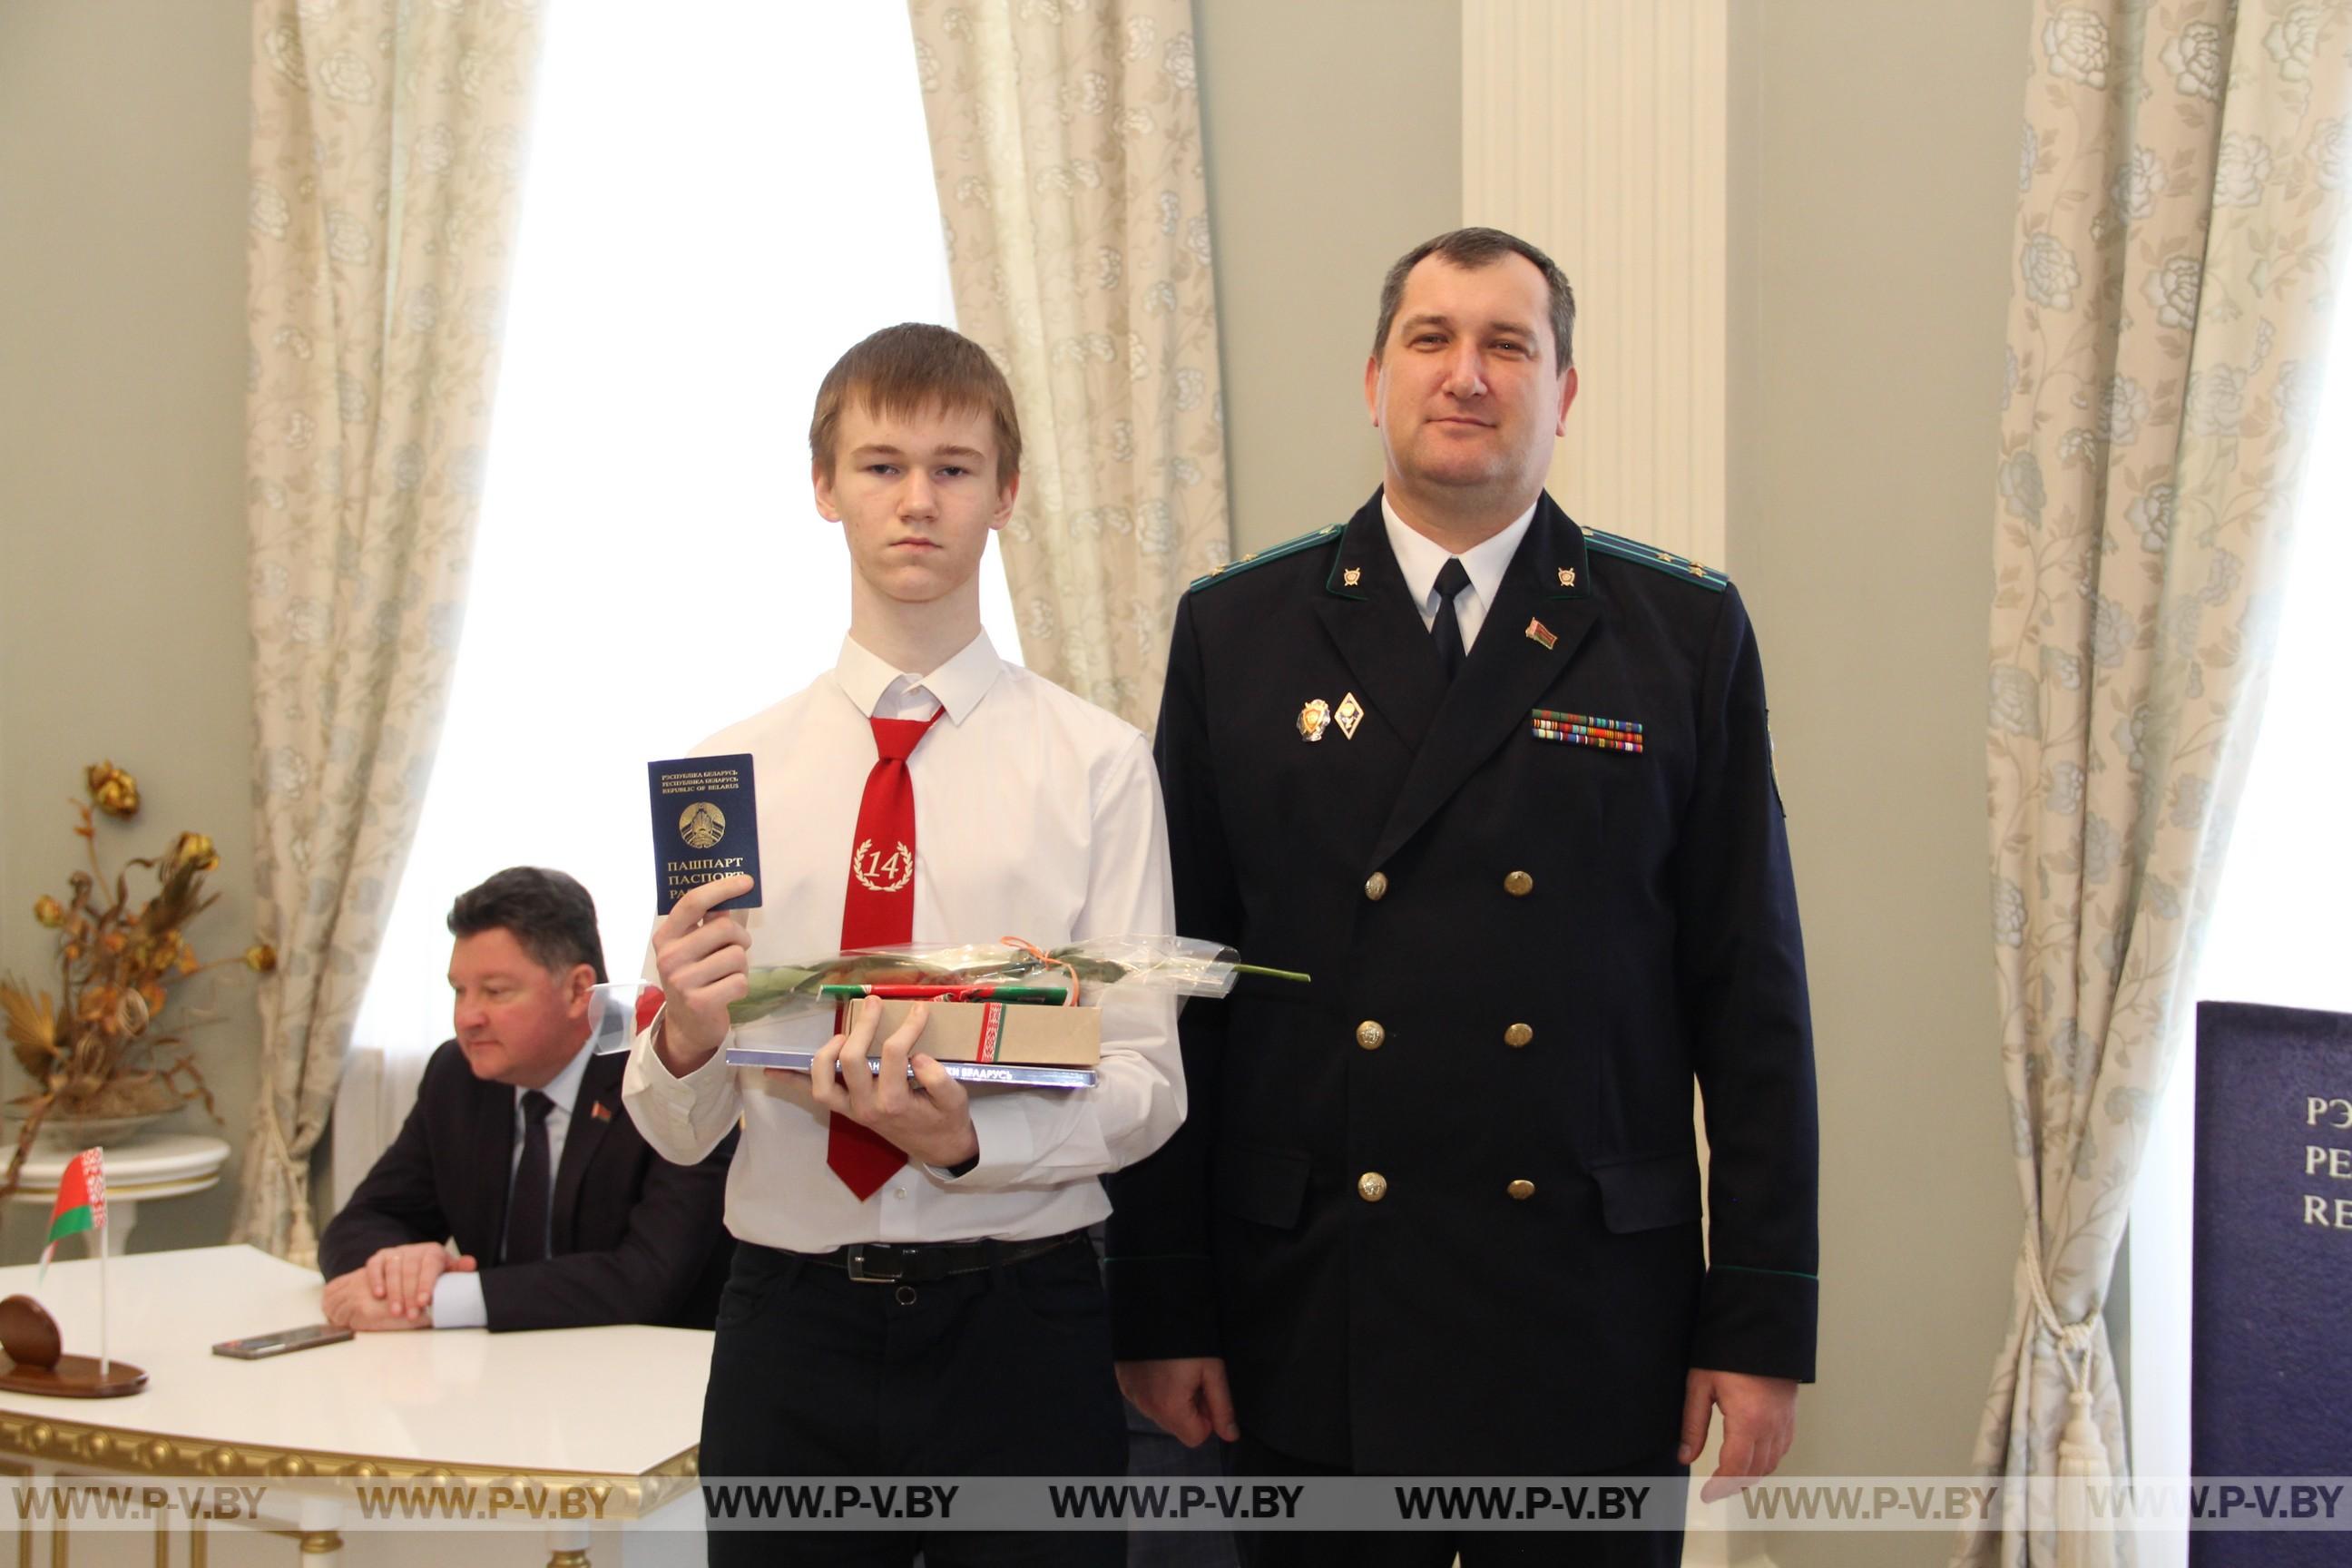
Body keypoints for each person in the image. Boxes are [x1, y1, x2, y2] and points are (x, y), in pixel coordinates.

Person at [1103, 227, 1819, 1567]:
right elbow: (1175, 990)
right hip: (1314, 1312)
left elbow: (1752, 998)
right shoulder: (1239, 632)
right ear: (1376, 376)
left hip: (1592, 1317)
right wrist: (1162, 1304)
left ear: (1564, 392)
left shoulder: (1679, 634)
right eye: (1433, 339)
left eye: (1510, 345)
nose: (1468, 375)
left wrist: (1761, 1323)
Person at [622, 322, 1184, 1568]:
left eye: (954, 466)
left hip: (1023, 1318)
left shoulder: (1098, 765)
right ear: (823, 488)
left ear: (1007, 493)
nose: (917, 500)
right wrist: (688, 1032)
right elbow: (674, 1129)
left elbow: (1150, 1084)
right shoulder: (728, 780)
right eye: (880, 466)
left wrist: (975, 1138)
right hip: (786, 1324)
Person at [319, 866, 735, 1332]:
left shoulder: (669, 1074)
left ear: (579, 990)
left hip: (644, 1377)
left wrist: (443, 1300)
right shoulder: (457, 1075)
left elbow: (645, 1282)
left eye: (495, 992)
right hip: (495, 1372)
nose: (467, 1018)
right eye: (459, 991)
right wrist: (401, 1272)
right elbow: (360, 1223)